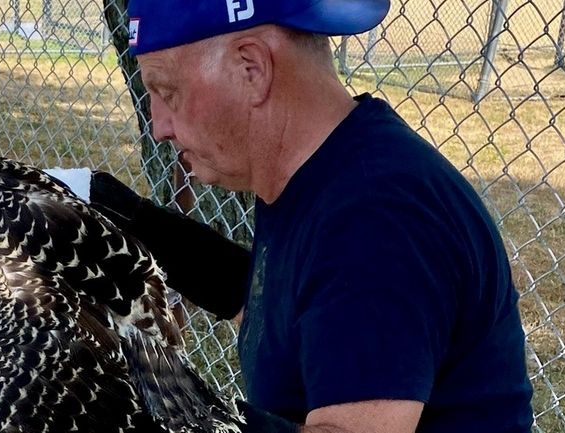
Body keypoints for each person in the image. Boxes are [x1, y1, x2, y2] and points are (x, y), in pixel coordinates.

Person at [79, 1, 535, 432]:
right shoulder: (323, 172)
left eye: (167, 91)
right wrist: (117, 215)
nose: (158, 124)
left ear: (251, 68)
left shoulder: (376, 221)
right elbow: (268, 302)